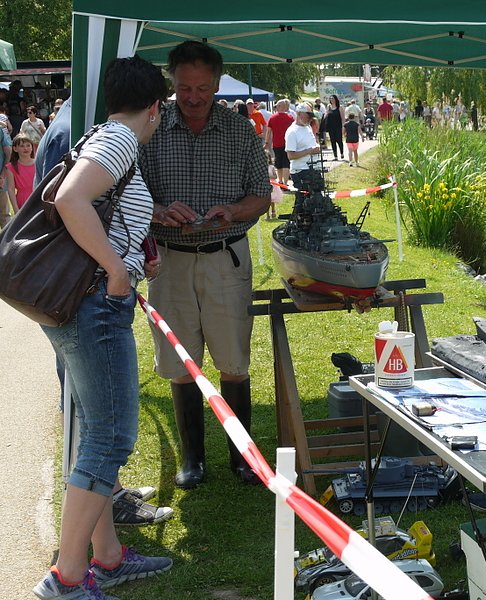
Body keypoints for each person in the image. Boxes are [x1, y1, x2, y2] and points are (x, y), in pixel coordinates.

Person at [32, 54, 172, 600]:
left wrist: (134, 251)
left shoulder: (106, 136)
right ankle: (66, 579)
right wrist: (116, 267)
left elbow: (97, 206)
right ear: (156, 107)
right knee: (111, 437)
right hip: (95, 305)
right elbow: (71, 199)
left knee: (96, 433)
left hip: (87, 303)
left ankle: (107, 557)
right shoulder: (118, 141)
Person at [139, 40, 272, 489]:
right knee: (180, 360)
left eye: (202, 88)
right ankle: (192, 459)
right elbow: (127, 193)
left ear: (217, 84)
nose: (193, 97)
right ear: (171, 83)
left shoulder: (240, 132)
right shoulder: (149, 130)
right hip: (171, 261)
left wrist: (232, 211)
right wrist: (158, 212)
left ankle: (242, 456)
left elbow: (261, 195)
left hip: (225, 258)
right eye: (183, 88)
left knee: (233, 359)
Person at [285, 102, 320, 187]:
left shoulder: (308, 127)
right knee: (304, 199)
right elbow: (290, 156)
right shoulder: (292, 132)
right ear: (299, 113)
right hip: (300, 171)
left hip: (314, 168)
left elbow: (312, 143)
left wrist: (317, 148)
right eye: (308, 115)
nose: (310, 118)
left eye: (311, 116)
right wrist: (309, 151)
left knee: (319, 198)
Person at [4, 133, 36, 211]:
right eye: (22, 146)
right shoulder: (11, 167)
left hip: (37, 196)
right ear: (15, 149)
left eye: (28, 145)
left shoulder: (38, 163)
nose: (25, 148)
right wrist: (15, 208)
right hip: (22, 200)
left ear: (32, 147)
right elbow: (11, 189)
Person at [266, 98, 295, 185]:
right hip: (288, 144)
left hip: (277, 144)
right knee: (286, 163)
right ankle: (286, 183)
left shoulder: (272, 118)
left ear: (279, 107)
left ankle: (280, 181)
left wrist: (267, 142)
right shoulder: (290, 118)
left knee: (278, 163)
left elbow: (268, 131)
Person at [325, 94, 345, 161]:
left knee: (339, 140)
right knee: (332, 141)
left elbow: (343, 118)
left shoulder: (340, 107)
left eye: (332, 98)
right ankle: (335, 156)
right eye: (330, 98)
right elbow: (326, 115)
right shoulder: (329, 107)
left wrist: (343, 127)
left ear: (336, 99)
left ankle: (342, 153)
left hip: (338, 127)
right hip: (331, 127)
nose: (331, 100)